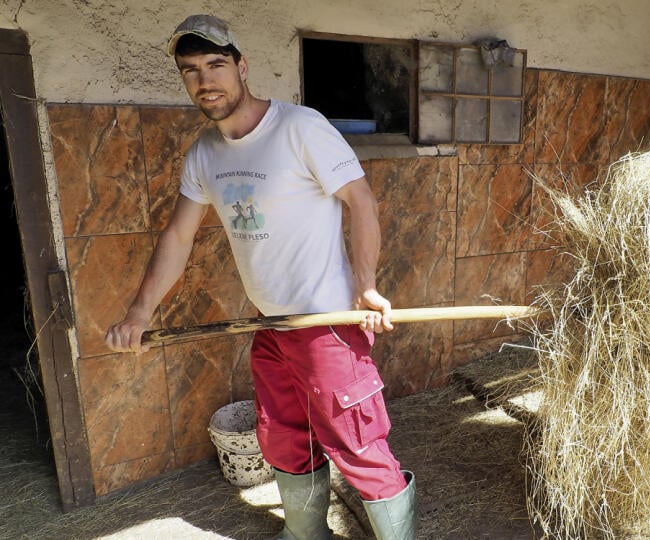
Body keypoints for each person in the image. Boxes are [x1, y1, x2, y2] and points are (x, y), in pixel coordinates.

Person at [104, 14, 416, 540]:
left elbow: (360, 200)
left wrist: (365, 284)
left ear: (242, 67)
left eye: (217, 64)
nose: (205, 80)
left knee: (358, 446)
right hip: (270, 326)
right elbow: (178, 237)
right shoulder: (205, 152)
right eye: (191, 69)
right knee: (285, 438)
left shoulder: (300, 128)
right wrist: (139, 313)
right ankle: (305, 534)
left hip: (327, 323)